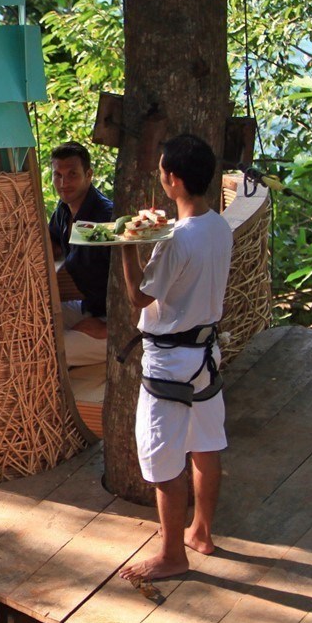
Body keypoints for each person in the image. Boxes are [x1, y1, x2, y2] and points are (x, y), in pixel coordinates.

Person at [117, 133, 232, 582]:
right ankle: (201, 532)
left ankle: (171, 555)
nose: (161, 175)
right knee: (206, 443)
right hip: (206, 353)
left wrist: (127, 244)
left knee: (164, 460)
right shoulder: (217, 225)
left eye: (164, 170)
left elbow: (140, 297)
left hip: (169, 361)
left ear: (175, 180)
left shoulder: (176, 241)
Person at [46, 142, 115, 368]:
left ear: (89, 175)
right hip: (90, 307)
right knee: (33, 324)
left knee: (47, 350)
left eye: (72, 174)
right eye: (58, 175)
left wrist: (108, 327)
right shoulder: (65, 209)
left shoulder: (104, 219)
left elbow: (138, 279)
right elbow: (53, 241)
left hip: (118, 325)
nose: (64, 184)